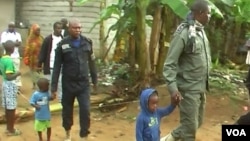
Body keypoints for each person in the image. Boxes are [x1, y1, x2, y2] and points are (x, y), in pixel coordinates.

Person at [163, 0, 211, 141]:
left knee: (197, 122)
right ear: (200, 13)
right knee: (190, 130)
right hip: (188, 89)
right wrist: (173, 89)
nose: (210, 17)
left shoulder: (200, 32)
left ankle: (168, 139)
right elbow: (169, 64)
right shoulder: (183, 33)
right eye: (208, 14)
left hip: (200, 87)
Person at [51, 19, 98, 141]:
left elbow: (92, 63)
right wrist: (53, 87)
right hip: (68, 83)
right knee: (67, 110)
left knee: (85, 110)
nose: (78, 30)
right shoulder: (62, 45)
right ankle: (68, 133)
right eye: (75, 28)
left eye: (79, 28)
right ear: (69, 29)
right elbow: (57, 67)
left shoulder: (87, 43)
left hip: (83, 84)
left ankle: (84, 136)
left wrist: (95, 80)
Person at [0, 40, 22, 136]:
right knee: (11, 108)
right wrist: (18, 73)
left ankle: (8, 128)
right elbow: (9, 76)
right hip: (10, 84)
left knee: (8, 108)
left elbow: (2, 73)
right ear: (13, 49)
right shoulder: (9, 60)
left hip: (4, 84)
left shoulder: (2, 59)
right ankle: (11, 130)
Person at [38, 21, 63, 102]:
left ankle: (60, 100)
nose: (59, 30)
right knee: (47, 84)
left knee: (60, 83)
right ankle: (48, 100)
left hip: (59, 67)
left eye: (61, 28)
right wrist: (39, 64)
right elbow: (43, 52)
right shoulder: (48, 39)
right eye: (58, 28)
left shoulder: (63, 39)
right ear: (54, 29)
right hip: (49, 66)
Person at [1, 22, 22, 92]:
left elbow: (19, 43)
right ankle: (12, 87)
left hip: (16, 56)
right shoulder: (4, 34)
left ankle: (17, 87)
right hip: (7, 55)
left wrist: (9, 43)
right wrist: (14, 43)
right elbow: (4, 44)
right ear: (8, 27)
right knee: (8, 72)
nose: (11, 28)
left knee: (16, 70)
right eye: (10, 27)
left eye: (12, 27)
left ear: (14, 27)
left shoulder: (17, 34)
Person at [24, 24, 44, 89]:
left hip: (40, 58)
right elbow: (27, 49)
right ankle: (34, 83)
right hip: (32, 59)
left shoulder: (41, 38)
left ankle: (40, 84)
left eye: (39, 30)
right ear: (33, 31)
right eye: (37, 30)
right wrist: (26, 58)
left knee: (40, 72)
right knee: (33, 72)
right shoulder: (29, 39)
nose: (39, 31)